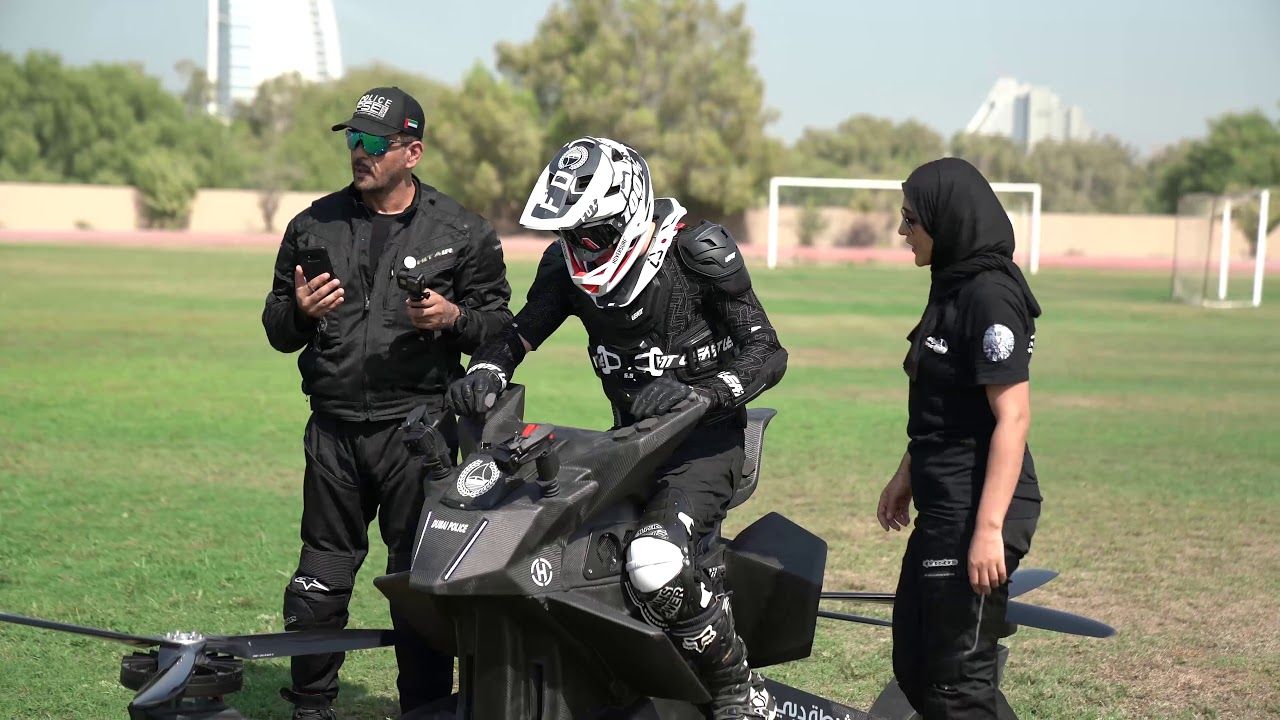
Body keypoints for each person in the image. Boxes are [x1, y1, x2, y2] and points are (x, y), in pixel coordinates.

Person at [448, 137, 787, 719]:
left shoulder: (698, 252)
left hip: (705, 443)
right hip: (630, 443)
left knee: (654, 561)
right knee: (568, 561)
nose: (580, 247)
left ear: (629, 211)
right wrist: (488, 368)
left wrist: (703, 393)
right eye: (570, 234)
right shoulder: (564, 266)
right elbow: (522, 330)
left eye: (591, 233)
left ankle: (738, 693)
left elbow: (767, 351)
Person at [262, 86, 513, 719]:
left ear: (412, 152)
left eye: (375, 141)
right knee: (318, 581)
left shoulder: (462, 231)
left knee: (416, 584)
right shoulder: (312, 225)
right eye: (353, 138)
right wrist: (299, 312)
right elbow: (276, 329)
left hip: (419, 435)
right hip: (334, 433)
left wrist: (455, 318)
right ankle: (310, 707)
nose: (360, 151)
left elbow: (499, 328)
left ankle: (423, 710)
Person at [876, 157, 1043, 719]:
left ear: (945, 220)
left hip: (978, 507)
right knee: (918, 665)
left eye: (910, 219)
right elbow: (945, 403)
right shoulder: (951, 285)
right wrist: (906, 472)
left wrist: (988, 530)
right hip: (944, 500)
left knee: (956, 682)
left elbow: (1012, 418)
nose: (903, 231)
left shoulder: (990, 297)